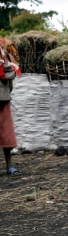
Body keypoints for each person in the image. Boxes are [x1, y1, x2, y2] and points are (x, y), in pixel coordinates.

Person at [0, 46, 20, 175]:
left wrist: (4, 64)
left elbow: (10, 74)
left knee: (6, 133)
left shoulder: (3, 53)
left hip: (2, 99)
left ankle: (9, 166)